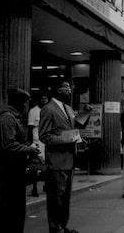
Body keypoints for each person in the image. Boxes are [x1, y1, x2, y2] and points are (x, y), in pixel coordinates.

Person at [0, 88, 41, 233]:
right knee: (8, 206)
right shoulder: (7, 118)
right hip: (7, 169)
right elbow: (8, 144)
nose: (25, 106)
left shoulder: (13, 117)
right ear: (18, 102)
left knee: (15, 207)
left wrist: (27, 146)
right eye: (24, 102)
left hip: (13, 168)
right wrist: (29, 149)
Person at [39, 81, 80, 233]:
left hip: (69, 158)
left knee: (65, 197)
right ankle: (55, 228)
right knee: (56, 197)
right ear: (58, 90)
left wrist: (86, 115)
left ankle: (63, 225)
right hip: (56, 160)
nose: (70, 91)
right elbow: (44, 136)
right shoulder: (48, 109)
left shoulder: (68, 108)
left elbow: (74, 126)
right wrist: (65, 139)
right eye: (67, 89)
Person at [27, 93, 49, 197]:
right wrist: (31, 142)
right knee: (35, 166)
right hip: (36, 141)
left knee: (47, 164)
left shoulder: (48, 111)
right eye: (43, 98)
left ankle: (46, 185)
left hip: (46, 141)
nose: (44, 101)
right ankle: (34, 188)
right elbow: (30, 127)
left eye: (46, 99)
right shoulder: (33, 111)